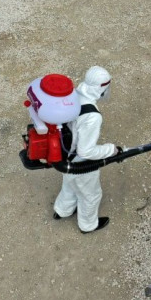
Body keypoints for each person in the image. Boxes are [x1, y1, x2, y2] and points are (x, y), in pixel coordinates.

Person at [53, 66, 119, 233]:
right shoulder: (92, 116)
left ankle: (62, 210)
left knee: (69, 183)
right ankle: (88, 225)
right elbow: (86, 151)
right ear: (102, 87)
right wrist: (111, 150)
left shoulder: (74, 95)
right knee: (91, 195)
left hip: (65, 154)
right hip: (80, 161)